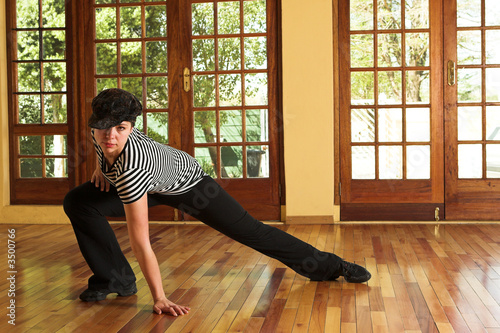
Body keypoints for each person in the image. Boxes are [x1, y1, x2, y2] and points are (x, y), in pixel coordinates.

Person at [64, 88, 371, 316]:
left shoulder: (132, 164)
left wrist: (159, 297)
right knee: (79, 201)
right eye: (104, 127)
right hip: (153, 181)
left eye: (120, 129)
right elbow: (104, 143)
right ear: (94, 124)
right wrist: (99, 166)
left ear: (130, 128)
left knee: (252, 231)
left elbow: (141, 240)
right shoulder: (102, 134)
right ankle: (117, 280)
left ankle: (332, 267)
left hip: (191, 186)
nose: (110, 136)